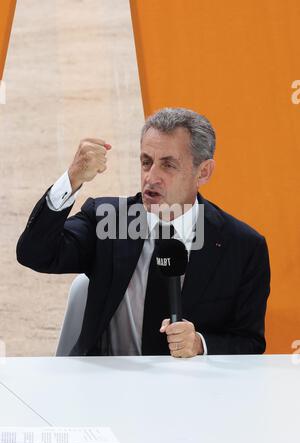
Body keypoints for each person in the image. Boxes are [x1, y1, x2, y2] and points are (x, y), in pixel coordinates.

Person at [16, 107, 270, 357]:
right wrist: (71, 179)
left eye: (168, 165)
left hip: (191, 392)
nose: (151, 177)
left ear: (203, 172)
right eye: (146, 162)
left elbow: (249, 342)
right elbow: (35, 253)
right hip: (107, 386)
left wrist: (200, 344)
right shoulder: (108, 219)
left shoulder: (244, 246)